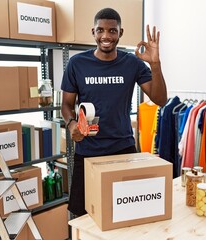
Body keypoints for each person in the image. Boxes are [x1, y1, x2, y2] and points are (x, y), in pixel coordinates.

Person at [61, 7, 167, 217]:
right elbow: (66, 104)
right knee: (84, 216)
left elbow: (160, 99)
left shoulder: (132, 63)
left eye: (112, 31)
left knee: (126, 212)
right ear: (93, 32)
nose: (106, 36)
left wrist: (155, 64)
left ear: (120, 33)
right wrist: (72, 124)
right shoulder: (77, 63)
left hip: (123, 150)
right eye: (100, 30)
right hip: (88, 152)